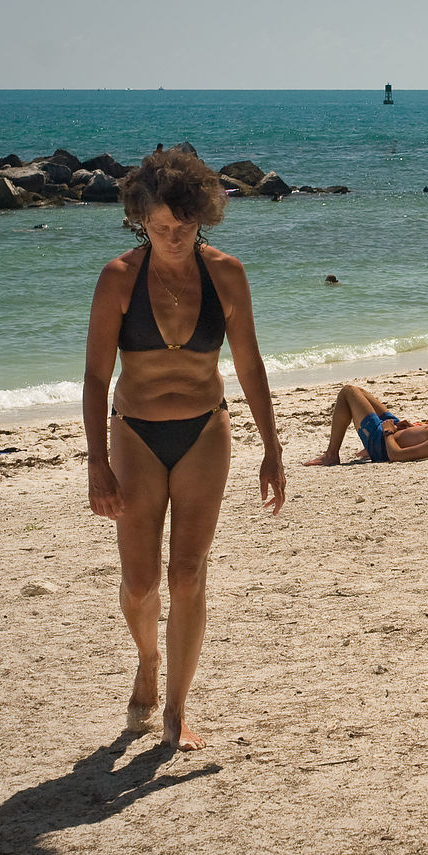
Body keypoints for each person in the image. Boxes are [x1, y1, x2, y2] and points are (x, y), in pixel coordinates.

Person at [83, 148, 285, 751]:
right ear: (139, 219)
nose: (173, 237)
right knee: (141, 585)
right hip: (136, 436)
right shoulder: (119, 278)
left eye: (185, 226)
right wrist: (96, 461)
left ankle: (174, 710)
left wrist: (271, 445)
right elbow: (96, 377)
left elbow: (249, 364)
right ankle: (147, 660)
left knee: (188, 575)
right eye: (160, 226)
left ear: (205, 218)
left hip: (204, 431)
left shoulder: (227, 275)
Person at [303, 384, 428, 466]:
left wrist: (388, 433)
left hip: (381, 443)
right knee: (361, 392)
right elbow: (418, 436)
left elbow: (396, 456)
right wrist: (405, 428)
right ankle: (360, 443)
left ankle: (331, 455)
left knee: (348, 392)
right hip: (395, 429)